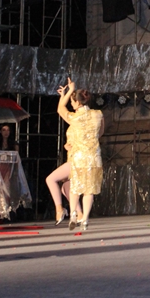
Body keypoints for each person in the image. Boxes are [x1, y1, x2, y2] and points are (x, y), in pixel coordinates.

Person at [49, 77, 104, 231]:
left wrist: (69, 91)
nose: (71, 105)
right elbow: (101, 132)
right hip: (94, 156)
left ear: (78, 102)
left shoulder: (75, 118)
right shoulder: (98, 114)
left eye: (73, 102)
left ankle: (73, 213)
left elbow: (60, 108)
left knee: (75, 187)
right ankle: (84, 218)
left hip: (78, 156)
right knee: (89, 189)